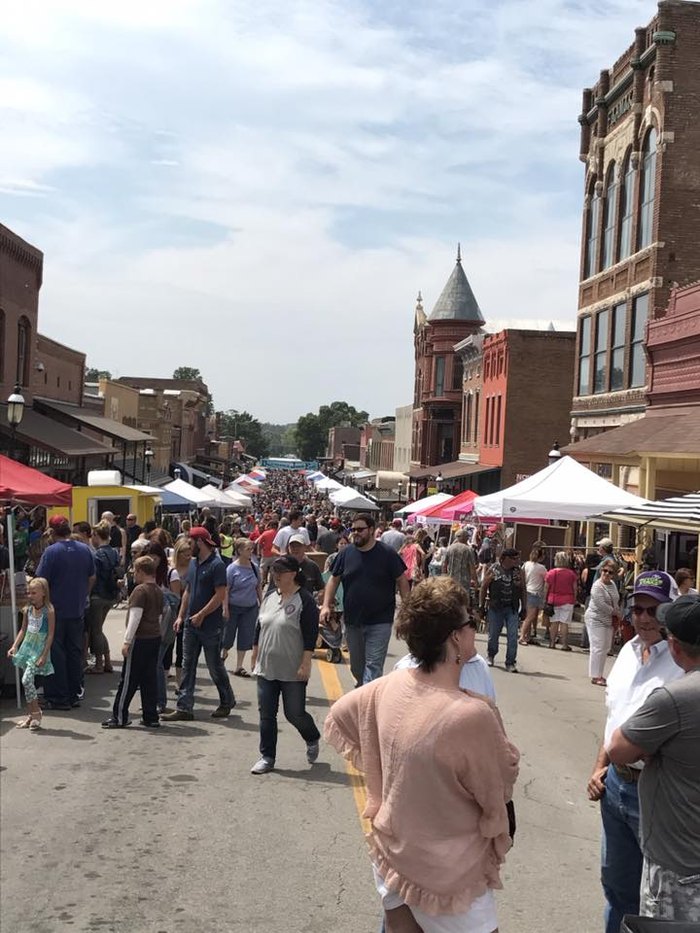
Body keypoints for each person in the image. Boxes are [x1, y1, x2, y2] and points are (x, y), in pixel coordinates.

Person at [324, 576, 519, 933]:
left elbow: (341, 715)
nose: (473, 629)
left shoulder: (389, 686)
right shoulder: (471, 714)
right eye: (469, 623)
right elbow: (497, 790)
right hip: (450, 874)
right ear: (454, 638)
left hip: (392, 853)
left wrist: (382, 770)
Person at [586, 570, 684, 933]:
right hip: (615, 787)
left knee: (657, 899)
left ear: (670, 612)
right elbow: (615, 717)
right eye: (637, 609)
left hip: (654, 792)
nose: (643, 617)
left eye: (653, 610)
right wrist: (598, 769)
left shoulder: (684, 662)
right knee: (617, 888)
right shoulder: (627, 651)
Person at [608, 595, 700, 923]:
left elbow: (618, 747)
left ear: (674, 646)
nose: (644, 618)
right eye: (639, 610)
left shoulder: (677, 697)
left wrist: (654, 745)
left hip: (678, 861)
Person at [250, 556, 321, 775]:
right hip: (267, 667)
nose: (275, 575)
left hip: (292, 668)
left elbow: (310, 635)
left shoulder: (305, 600)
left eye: (280, 571)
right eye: (273, 571)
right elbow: (259, 627)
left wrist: (305, 663)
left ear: (293, 573)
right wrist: (255, 654)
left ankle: (312, 737)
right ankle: (267, 757)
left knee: (294, 713)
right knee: (267, 714)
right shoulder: (270, 596)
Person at [320, 513, 409, 687]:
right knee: (357, 667)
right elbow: (333, 579)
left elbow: (402, 581)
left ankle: (367, 702)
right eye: (353, 530)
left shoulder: (387, 554)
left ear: (371, 530)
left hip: (380, 621)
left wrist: (408, 609)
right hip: (353, 620)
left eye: (360, 529)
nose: (355, 533)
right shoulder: (346, 554)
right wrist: (325, 606)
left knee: (373, 666)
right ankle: (363, 689)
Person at [162, 527, 236, 721]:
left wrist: (202, 614)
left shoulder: (217, 565)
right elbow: (188, 591)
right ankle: (184, 707)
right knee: (187, 665)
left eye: (191, 542)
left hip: (210, 625)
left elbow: (220, 594)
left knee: (214, 666)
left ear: (200, 542)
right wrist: (181, 615)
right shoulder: (194, 564)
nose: (188, 546)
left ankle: (227, 700)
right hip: (190, 624)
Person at [36, 516, 95, 711]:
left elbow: (41, 582)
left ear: (52, 532)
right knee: (74, 653)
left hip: (55, 611)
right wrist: (82, 595)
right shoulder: (84, 550)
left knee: (56, 654)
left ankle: (59, 697)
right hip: (76, 610)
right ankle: (73, 694)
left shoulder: (51, 552)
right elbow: (91, 576)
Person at [102, 555, 164, 729]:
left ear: (141, 571)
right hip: (154, 637)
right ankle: (151, 716)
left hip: (140, 639)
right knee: (148, 678)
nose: (133, 574)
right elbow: (160, 616)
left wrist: (127, 641)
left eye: (134, 571)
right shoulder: (158, 590)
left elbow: (135, 618)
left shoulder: (140, 591)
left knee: (128, 679)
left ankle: (119, 716)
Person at [8, 577, 55, 731]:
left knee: (26, 680)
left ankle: (36, 713)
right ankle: (31, 714)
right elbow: (23, 629)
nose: (31, 595)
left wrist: (44, 655)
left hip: (38, 649)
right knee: (28, 684)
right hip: (27, 648)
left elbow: (50, 635)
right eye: (29, 592)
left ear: (43, 593)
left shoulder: (49, 611)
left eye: (34, 592)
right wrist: (15, 646)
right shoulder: (28, 609)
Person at [480, 548, 526, 673]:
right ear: (506, 558)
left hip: (512, 608)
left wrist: (524, 608)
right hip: (495, 607)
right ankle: (491, 654)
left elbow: (523, 590)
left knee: (512, 636)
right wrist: (481, 606)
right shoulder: (493, 569)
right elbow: (484, 587)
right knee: (493, 634)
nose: (517, 561)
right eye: (514, 558)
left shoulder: (519, 572)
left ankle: (510, 662)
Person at [222, 537, 262, 678]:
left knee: (246, 636)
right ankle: (224, 653)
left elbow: (258, 587)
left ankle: (239, 666)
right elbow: (226, 589)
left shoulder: (254, 568)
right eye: (248, 549)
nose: (251, 551)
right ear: (239, 551)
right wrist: (225, 607)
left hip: (250, 607)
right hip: (233, 606)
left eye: (251, 549)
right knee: (228, 635)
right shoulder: (232, 569)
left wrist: (261, 604)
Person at [84, 523, 120, 675]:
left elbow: (93, 576)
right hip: (111, 594)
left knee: (96, 631)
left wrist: (87, 593)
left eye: (93, 536)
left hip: (98, 595)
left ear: (97, 536)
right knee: (99, 629)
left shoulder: (96, 555)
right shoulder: (114, 552)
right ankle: (107, 661)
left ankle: (100, 664)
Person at [585, 559, 621, 686]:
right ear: (601, 571)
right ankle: (595, 675)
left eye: (610, 572)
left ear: (613, 574)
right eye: (604, 571)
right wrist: (615, 612)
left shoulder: (612, 585)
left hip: (608, 620)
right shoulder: (597, 586)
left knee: (605, 647)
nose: (606, 574)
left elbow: (616, 600)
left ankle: (600, 674)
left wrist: (617, 611)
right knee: (597, 647)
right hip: (595, 618)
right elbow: (600, 604)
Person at [543, 551, 578, 652]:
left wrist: (545, 599)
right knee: (564, 623)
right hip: (568, 600)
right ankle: (564, 644)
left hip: (553, 600)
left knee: (554, 622)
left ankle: (552, 643)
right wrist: (574, 599)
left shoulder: (551, 572)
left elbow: (546, 587)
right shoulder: (571, 574)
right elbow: (575, 588)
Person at [519, 547, 547, 646]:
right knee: (530, 617)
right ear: (540, 557)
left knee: (529, 616)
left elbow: (522, 576)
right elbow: (546, 580)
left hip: (526, 591)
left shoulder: (526, 564)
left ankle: (528, 636)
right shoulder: (542, 568)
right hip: (535, 593)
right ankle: (522, 636)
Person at [443, 528, 478, 601]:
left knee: (451, 599)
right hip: (464, 581)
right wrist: (475, 580)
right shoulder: (468, 550)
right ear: (464, 537)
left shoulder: (449, 548)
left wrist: (444, 577)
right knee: (463, 601)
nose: (468, 538)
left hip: (451, 579)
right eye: (467, 537)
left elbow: (444, 564)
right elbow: (472, 567)